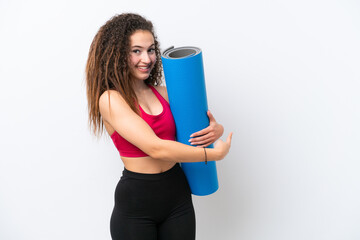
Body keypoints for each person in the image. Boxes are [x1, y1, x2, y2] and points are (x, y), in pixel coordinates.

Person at [85, 13, 232, 240]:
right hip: (137, 204)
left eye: (151, 50)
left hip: (177, 195)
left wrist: (216, 129)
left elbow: (197, 126)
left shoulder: (164, 93)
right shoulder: (111, 99)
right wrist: (210, 154)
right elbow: (156, 148)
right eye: (136, 51)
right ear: (117, 54)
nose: (147, 58)